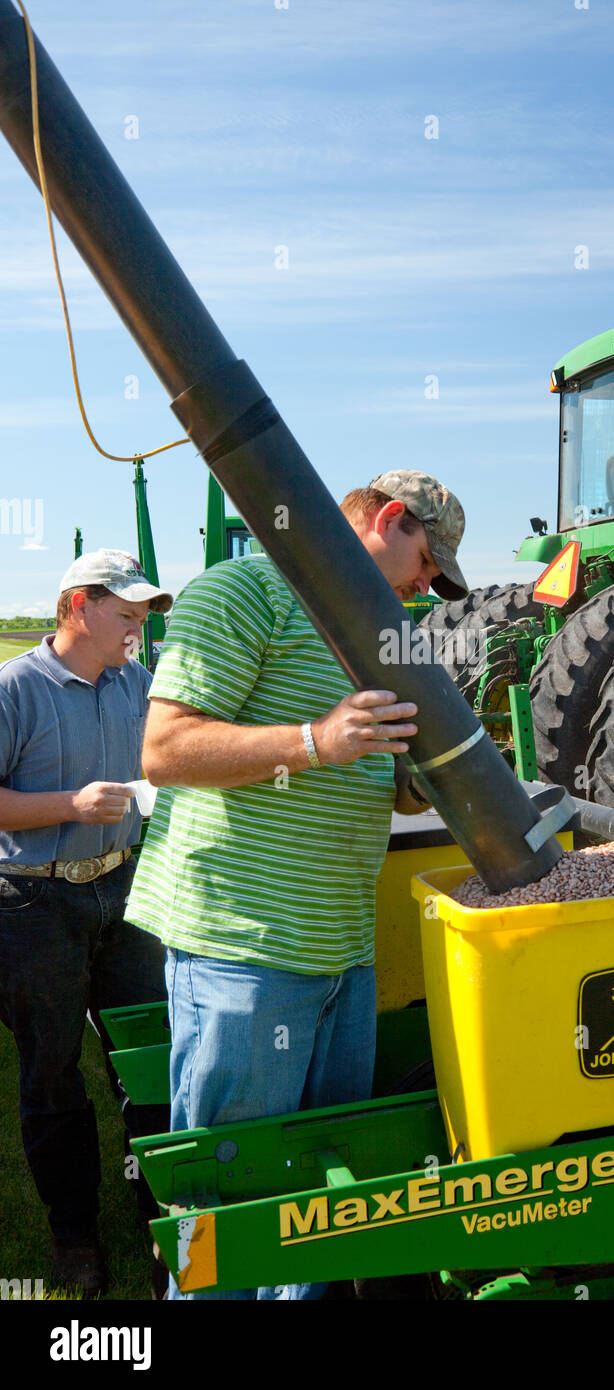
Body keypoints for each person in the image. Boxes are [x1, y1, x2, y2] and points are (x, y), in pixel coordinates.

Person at [125, 469, 468, 1300]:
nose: (430, 582)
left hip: (341, 953)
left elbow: (375, 769)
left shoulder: (380, 631)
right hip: (246, 948)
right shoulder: (246, 591)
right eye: (429, 558)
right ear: (389, 519)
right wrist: (317, 740)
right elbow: (164, 751)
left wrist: (421, 778)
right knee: (232, 1205)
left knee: (317, 1203)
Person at [0, 549, 173, 1296]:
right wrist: (71, 806)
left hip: (127, 894)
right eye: (127, 614)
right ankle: (74, 1234)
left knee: (149, 1057)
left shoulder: (139, 683)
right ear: (79, 607)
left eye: (142, 616)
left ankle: (160, 1208)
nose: (138, 628)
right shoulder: (16, 688)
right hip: (35, 904)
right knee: (52, 1073)